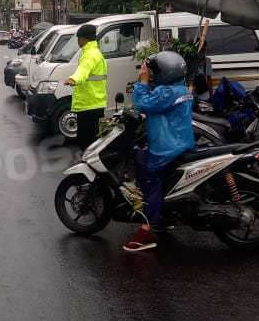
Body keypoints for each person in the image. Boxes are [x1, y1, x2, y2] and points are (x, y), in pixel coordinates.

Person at [121, 50, 194, 253]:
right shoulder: (181, 89)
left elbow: (142, 103)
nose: (152, 74)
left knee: (148, 175)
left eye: (155, 72)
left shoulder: (167, 93)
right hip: (181, 142)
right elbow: (162, 109)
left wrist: (142, 82)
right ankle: (163, 215)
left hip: (166, 148)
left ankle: (146, 229)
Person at [63, 24, 106, 152]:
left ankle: (90, 167)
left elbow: (83, 70)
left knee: (86, 142)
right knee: (92, 141)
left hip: (89, 105)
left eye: (78, 38)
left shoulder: (90, 55)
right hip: (95, 103)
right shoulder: (95, 52)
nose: (77, 41)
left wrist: (73, 79)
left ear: (84, 39)